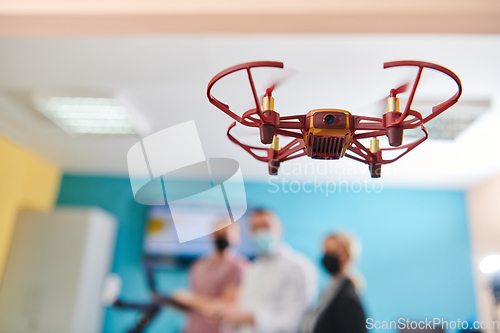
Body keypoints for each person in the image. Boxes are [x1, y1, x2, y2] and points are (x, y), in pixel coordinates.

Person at [207, 209, 318, 333]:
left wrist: (250, 319)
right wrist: (227, 314)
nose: (260, 232)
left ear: (279, 228)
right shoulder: (253, 268)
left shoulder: (298, 267)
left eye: (265, 226)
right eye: (255, 228)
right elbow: (246, 307)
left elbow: (298, 323)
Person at [173, 220, 248, 333]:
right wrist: (180, 300)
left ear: (238, 238)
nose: (225, 236)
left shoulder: (238, 267)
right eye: (221, 232)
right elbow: (192, 306)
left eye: (229, 232)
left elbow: (225, 307)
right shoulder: (198, 265)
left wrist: (188, 298)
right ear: (212, 235)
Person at [302, 233, 367, 333]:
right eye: (326, 251)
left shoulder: (347, 298)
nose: (327, 256)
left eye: (333, 252)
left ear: (347, 256)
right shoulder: (331, 290)